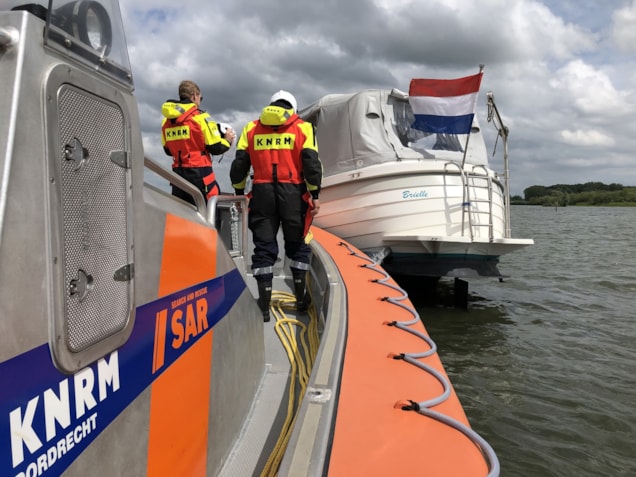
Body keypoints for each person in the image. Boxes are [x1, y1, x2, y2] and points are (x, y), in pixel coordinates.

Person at [230, 90, 322, 322]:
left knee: (263, 247)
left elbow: (240, 164)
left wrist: (239, 192)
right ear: (292, 108)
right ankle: (301, 299)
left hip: (261, 193)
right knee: (298, 244)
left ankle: (263, 306)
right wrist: (315, 194)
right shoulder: (303, 128)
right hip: (294, 193)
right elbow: (311, 163)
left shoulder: (250, 129)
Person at [161, 80, 236, 205]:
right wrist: (227, 140)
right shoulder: (201, 118)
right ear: (194, 95)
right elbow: (216, 147)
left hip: (178, 175)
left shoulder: (166, 122)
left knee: (181, 210)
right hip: (200, 173)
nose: (200, 101)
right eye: (200, 98)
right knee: (209, 207)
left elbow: (167, 150)